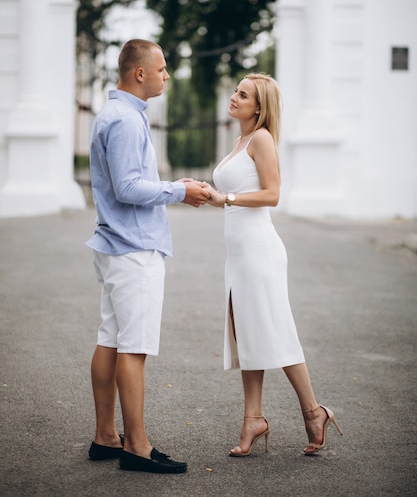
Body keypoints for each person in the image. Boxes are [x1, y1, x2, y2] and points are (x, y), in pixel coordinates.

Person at [86, 39, 210, 474]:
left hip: (116, 244)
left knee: (111, 339)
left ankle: (106, 436)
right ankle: (136, 446)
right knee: (132, 349)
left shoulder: (118, 113)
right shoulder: (124, 120)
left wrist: (176, 188)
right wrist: (180, 190)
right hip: (133, 249)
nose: (166, 75)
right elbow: (127, 187)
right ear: (139, 73)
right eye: (161, 68)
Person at [205, 73, 343, 457]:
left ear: (259, 107)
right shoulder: (240, 141)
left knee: (275, 331)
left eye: (243, 94)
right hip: (240, 253)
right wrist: (206, 192)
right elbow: (232, 191)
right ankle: (254, 419)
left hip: (260, 251)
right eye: (235, 89)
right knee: (247, 332)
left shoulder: (261, 138)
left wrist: (226, 198)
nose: (234, 97)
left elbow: (272, 194)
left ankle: (314, 412)